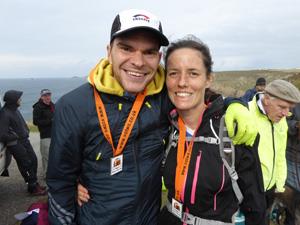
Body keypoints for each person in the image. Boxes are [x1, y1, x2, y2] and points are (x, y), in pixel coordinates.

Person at [47, 9, 258, 225]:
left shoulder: (164, 96)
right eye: (126, 48)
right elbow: (59, 182)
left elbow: (196, 93)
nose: (138, 61)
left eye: (148, 52)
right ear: (109, 51)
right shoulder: (74, 106)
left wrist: (234, 106)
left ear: (158, 58)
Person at [247, 80, 300, 222]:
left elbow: (280, 154)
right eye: (282, 107)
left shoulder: (281, 120)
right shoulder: (246, 115)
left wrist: (280, 185)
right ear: (267, 99)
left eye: (289, 108)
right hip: (249, 193)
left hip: (271, 189)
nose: (286, 113)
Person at [0, 90, 46, 195]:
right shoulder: (5, 113)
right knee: (26, 164)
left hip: (24, 140)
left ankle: (34, 183)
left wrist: (26, 130)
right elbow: (2, 134)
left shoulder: (15, 109)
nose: (20, 100)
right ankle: (32, 188)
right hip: (15, 143)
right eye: (18, 98)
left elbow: (21, 123)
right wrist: (15, 136)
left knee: (33, 160)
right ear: (13, 100)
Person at [279, 103, 300, 225]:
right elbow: (281, 123)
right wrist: (296, 126)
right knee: (290, 201)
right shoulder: (293, 104)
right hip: (291, 160)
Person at [33, 89, 55, 176]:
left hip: (55, 134)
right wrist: (50, 121)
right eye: (45, 96)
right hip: (45, 135)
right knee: (46, 156)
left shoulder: (52, 105)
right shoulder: (38, 107)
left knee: (54, 155)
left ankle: (54, 172)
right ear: (41, 97)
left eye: (48, 95)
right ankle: (47, 174)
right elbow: (36, 122)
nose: (47, 97)